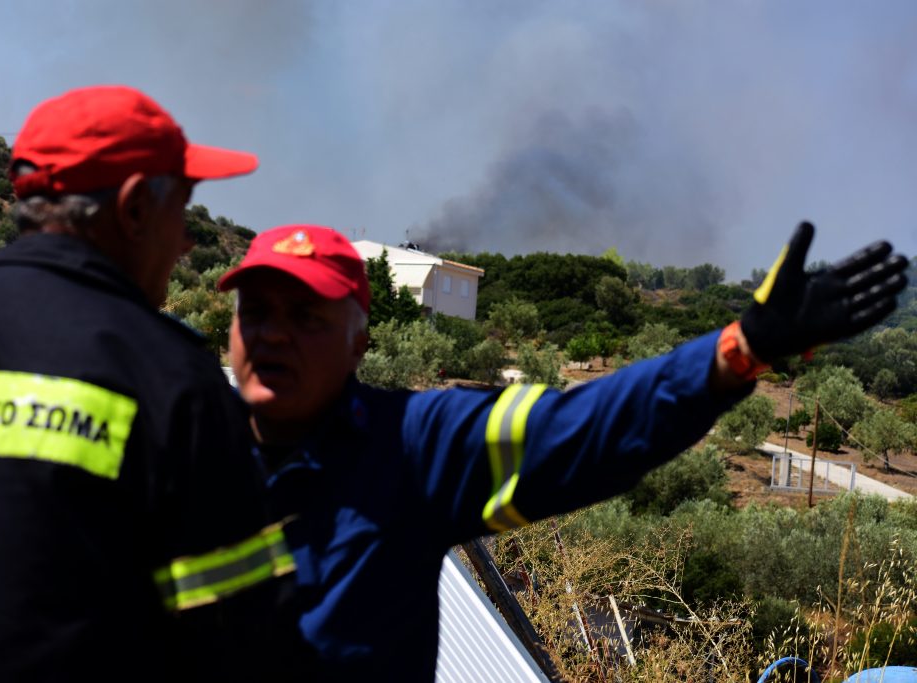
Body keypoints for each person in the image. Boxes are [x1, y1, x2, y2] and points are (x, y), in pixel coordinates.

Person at [217, 221, 907, 681]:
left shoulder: (412, 445)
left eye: (307, 315)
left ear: (360, 341)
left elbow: (587, 426)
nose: (274, 334)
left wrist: (737, 350)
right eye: (257, 311)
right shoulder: (175, 447)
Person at [0, 86, 293, 681]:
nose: (186, 241)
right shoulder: (174, 385)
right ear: (133, 209)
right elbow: (245, 643)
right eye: (180, 210)